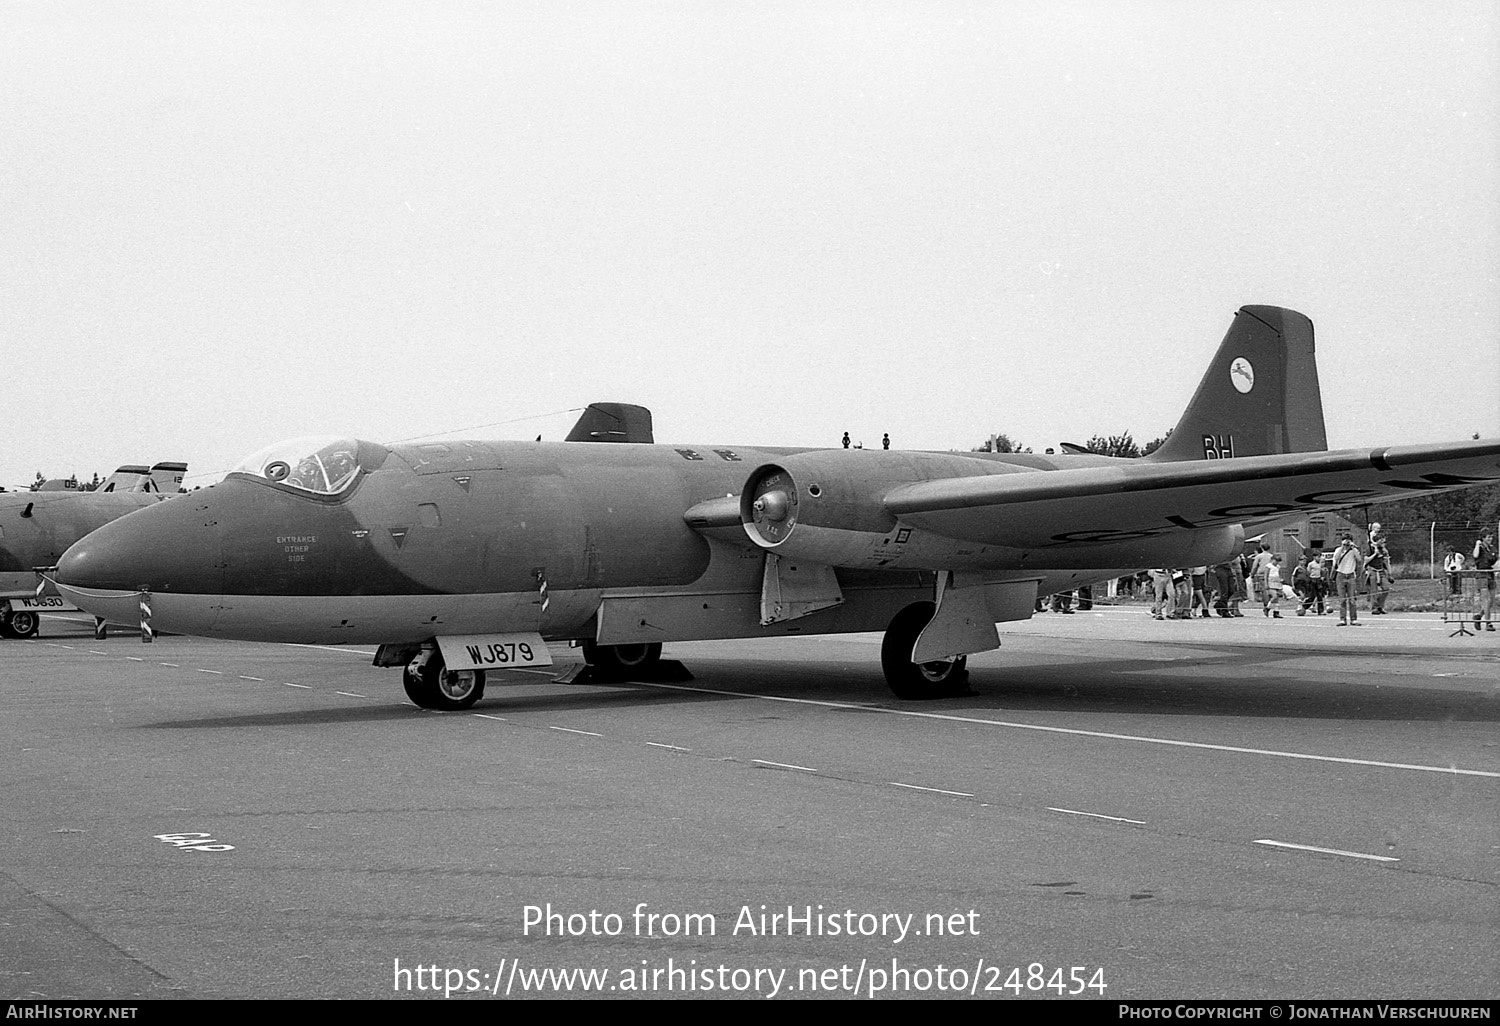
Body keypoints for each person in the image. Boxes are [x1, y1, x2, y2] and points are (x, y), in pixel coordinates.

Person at [1332, 533, 1365, 626]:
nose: (1346, 542)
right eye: (1345, 540)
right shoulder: (1338, 550)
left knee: (1352, 599)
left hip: (1350, 575)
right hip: (1340, 575)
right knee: (1342, 599)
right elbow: (1336, 558)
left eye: (1348, 540)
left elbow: (1359, 559)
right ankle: (1342, 619)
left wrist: (1353, 548)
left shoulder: (1354, 550)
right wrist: (1343, 548)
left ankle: (1353, 619)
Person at [1474, 532, 1496, 632]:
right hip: (1482, 575)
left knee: (1491, 600)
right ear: (1483, 538)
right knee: (1486, 600)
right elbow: (1475, 555)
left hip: (1490, 574)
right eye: (1488, 537)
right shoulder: (1480, 547)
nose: (1490, 539)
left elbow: (1495, 560)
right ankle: (1488, 623)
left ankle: (1479, 616)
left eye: (1491, 537)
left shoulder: (1492, 548)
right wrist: (1477, 544)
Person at [1366, 536, 1392, 615]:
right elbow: (1366, 559)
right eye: (1382, 541)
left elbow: (1386, 562)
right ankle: (1374, 608)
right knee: (1374, 590)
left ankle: (1380, 605)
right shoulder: (1370, 549)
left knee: (1386, 588)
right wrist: (1375, 554)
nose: (1383, 543)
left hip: (1381, 571)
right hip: (1373, 570)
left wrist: (1389, 574)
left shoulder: (1383, 550)